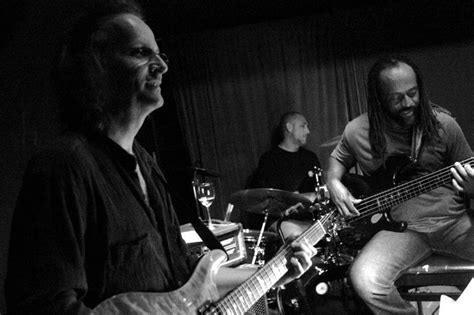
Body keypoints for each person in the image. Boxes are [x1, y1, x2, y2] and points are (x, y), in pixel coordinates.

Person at [5, 1, 316, 313]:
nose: (162, 66)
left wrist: (273, 274)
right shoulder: (64, 166)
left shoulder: (147, 165)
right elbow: (43, 305)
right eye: (140, 53)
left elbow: (190, 283)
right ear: (94, 66)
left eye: (160, 54)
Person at [326, 55, 474, 314]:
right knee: (364, 279)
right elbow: (337, 158)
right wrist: (333, 182)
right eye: (396, 98)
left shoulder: (444, 125)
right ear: (379, 98)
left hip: (453, 223)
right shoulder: (357, 131)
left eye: (413, 93)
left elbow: (470, 172)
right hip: (399, 231)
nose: (408, 103)